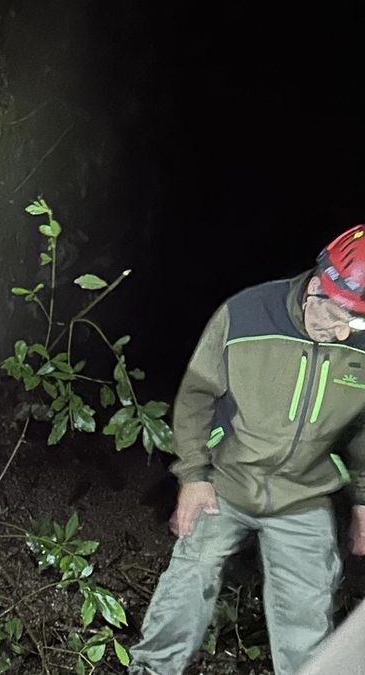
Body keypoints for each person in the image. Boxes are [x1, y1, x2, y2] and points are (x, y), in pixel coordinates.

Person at [129, 226, 365, 675]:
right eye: (336, 317)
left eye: (355, 324)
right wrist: (194, 477)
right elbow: (197, 396)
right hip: (229, 479)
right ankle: (150, 670)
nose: (341, 333)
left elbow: (363, 429)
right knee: (188, 578)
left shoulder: (360, 340)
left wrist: (363, 499)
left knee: (308, 618)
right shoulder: (246, 315)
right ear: (316, 287)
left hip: (304, 493)